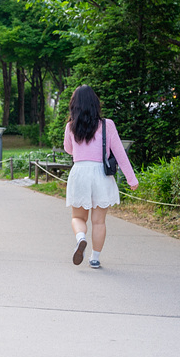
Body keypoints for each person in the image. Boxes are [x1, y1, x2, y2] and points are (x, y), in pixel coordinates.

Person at [63, 85, 138, 269]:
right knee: (99, 221)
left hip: (80, 173)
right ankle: (94, 258)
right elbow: (120, 153)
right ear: (95, 103)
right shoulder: (107, 125)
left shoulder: (71, 126)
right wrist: (131, 179)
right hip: (100, 175)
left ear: (74, 105)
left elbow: (69, 150)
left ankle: (81, 238)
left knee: (78, 218)